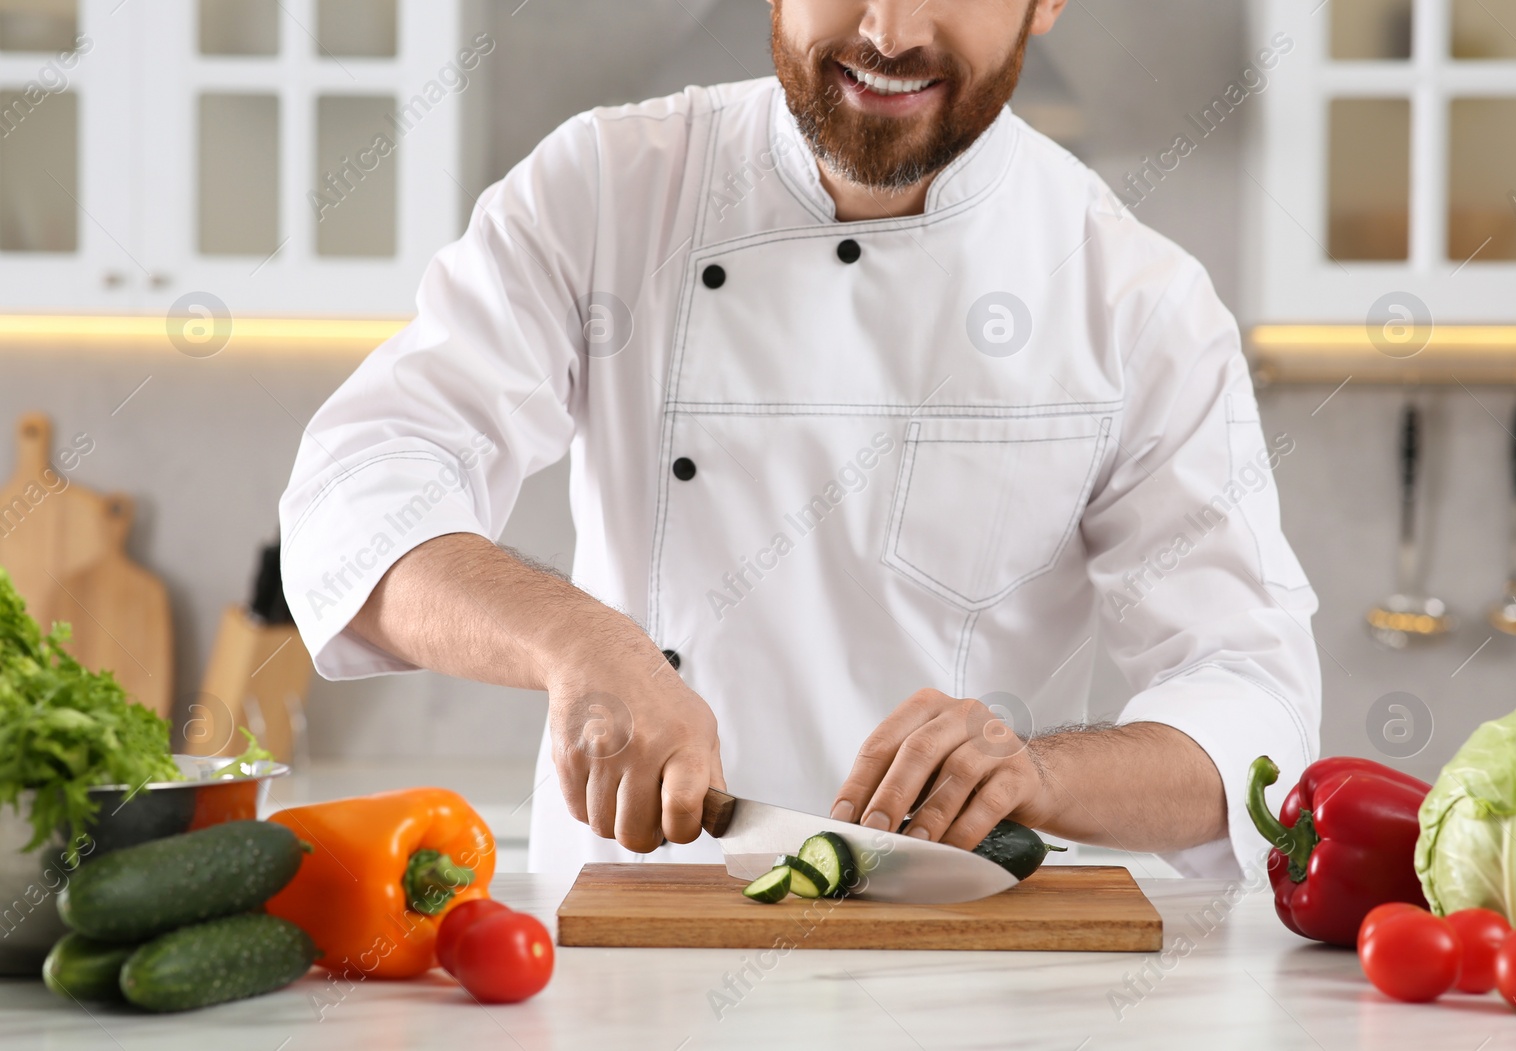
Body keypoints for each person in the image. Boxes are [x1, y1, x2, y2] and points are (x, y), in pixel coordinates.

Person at [280, 0, 1320, 886]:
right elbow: (354, 502)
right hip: (631, 954)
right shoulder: (605, 188)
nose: (888, 30)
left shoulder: (1137, 301)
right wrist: (579, 642)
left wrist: (1037, 777)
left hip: (963, 982)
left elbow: (1252, 699)